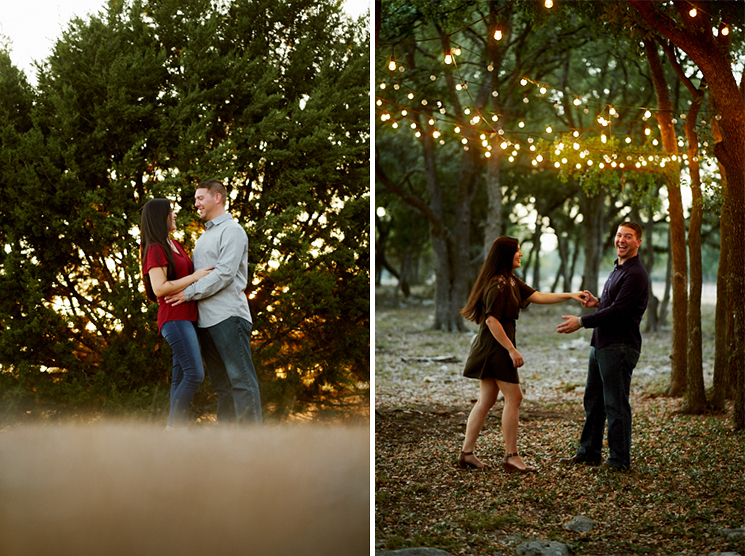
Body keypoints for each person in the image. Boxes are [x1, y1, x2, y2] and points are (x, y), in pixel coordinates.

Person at [459, 236, 586, 473]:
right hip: (495, 347)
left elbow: (537, 297)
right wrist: (511, 350)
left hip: (491, 346)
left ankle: (466, 453)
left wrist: (571, 295)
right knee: (514, 397)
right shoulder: (499, 284)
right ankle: (511, 457)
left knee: (486, 400)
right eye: (518, 251)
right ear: (506, 255)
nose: (521, 255)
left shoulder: (510, 280)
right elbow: (491, 320)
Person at [165, 179, 262, 425]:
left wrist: (187, 293)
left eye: (200, 198)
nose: (195, 203)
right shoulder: (204, 237)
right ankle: (227, 446)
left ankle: (253, 447)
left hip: (229, 316)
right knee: (223, 387)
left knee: (241, 381)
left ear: (217, 198)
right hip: (205, 322)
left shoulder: (233, 231)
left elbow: (225, 274)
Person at [556, 221, 649, 471]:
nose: (621, 240)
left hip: (619, 348)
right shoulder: (618, 268)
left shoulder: (636, 274)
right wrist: (597, 302)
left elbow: (619, 312)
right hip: (601, 345)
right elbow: (612, 305)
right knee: (594, 401)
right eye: (619, 235)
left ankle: (619, 460)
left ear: (638, 242)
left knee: (615, 405)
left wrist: (581, 322)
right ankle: (588, 453)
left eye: (628, 236)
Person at [140, 199, 214, 429]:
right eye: (171, 212)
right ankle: (172, 428)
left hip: (187, 317)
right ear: (160, 217)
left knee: (181, 377)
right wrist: (195, 277)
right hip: (174, 318)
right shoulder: (155, 248)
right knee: (194, 374)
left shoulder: (175, 244)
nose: (175, 215)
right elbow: (159, 288)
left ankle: (176, 434)